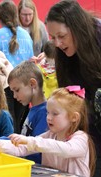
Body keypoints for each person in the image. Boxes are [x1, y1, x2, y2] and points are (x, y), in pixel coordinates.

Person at [0, 86, 96, 177]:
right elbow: (22, 148)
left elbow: (64, 149)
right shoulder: (50, 135)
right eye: (47, 112)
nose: (48, 117)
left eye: (54, 113)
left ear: (74, 117)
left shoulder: (81, 138)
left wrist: (31, 142)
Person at [45, 1, 101, 176]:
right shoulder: (64, 55)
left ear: (77, 28)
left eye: (62, 36)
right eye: (53, 38)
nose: (58, 43)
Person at [0, 0, 34, 133]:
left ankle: (12, 145)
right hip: (24, 82)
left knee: (9, 118)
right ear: (16, 15)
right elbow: (31, 61)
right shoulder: (26, 35)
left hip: (5, 84)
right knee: (19, 119)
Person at [7, 60, 47, 163]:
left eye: (17, 90)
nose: (15, 96)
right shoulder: (33, 109)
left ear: (32, 84)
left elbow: (36, 148)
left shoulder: (45, 113)